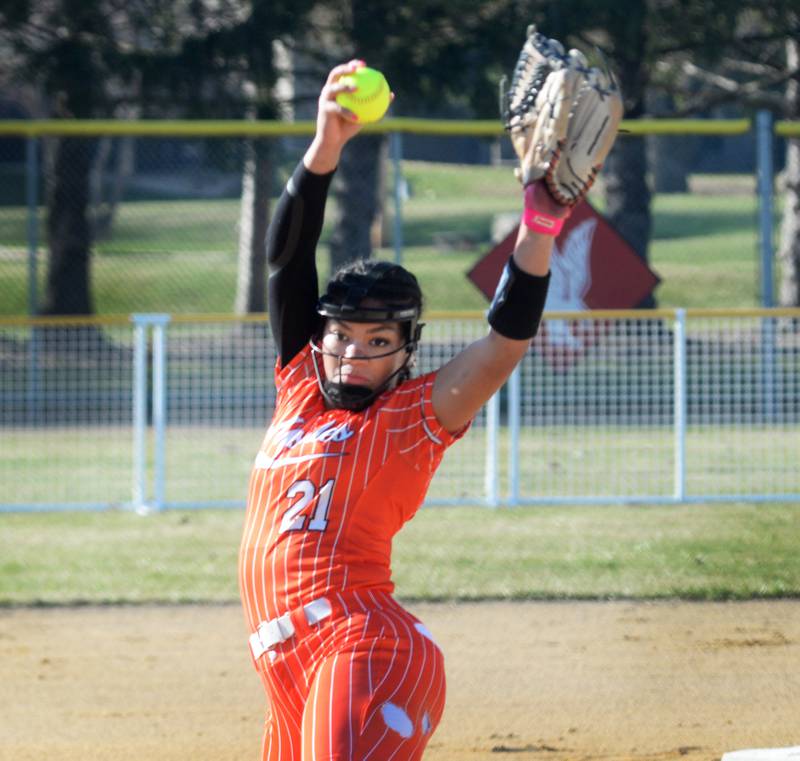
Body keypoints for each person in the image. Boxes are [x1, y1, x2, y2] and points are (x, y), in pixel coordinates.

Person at [239, 37, 621, 761]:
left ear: (407, 351)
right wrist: (325, 145)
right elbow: (288, 258)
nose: (353, 351)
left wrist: (539, 225)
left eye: (377, 339)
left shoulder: (414, 415)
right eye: (342, 334)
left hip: (364, 648)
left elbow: (504, 341)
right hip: (286, 670)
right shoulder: (298, 388)